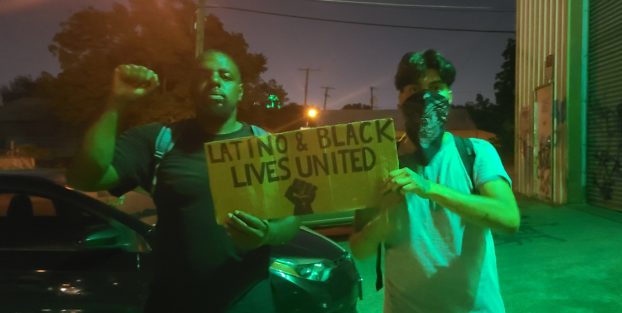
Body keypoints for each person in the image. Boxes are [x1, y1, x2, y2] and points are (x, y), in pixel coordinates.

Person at [67, 49, 300, 313]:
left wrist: (267, 234)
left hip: (248, 302)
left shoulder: (267, 145)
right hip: (173, 302)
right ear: (191, 88)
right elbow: (84, 177)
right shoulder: (158, 141)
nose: (214, 81)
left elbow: (292, 219)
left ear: (240, 91)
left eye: (225, 76)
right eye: (204, 75)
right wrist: (116, 103)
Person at [350, 49, 520, 313]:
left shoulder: (476, 153)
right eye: (414, 88)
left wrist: (431, 189)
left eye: (436, 86)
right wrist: (384, 223)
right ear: (400, 99)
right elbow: (359, 249)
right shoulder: (381, 161)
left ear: (449, 96)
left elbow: (509, 218)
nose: (425, 95)